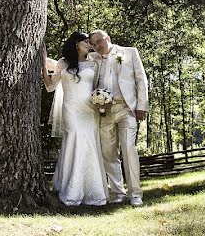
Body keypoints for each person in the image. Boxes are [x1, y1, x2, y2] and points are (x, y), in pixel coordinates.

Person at [42, 32, 108, 207]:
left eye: (89, 42)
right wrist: (43, 65)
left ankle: (92, 190)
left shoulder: (94, 63)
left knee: (89, 144)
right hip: (71, 109)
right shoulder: (63, 63)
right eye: (85, 41)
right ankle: (71, 189)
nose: (88, 44)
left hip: (89, 110)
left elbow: (97, 87)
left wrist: (101, 100)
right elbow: (50, 87)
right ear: (76, 44)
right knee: (75, 141)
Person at [88, 29, 149, 206]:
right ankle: (117, 192)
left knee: (129, 149)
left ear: (108, 38)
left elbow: (141, 79)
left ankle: (135, 193)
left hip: (126, 109)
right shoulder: (92, 59)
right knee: (108, 153)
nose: (96, 46)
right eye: (93, 44)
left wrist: (142, 106)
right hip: (104, 111)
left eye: (99, 41)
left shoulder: (129, 52)